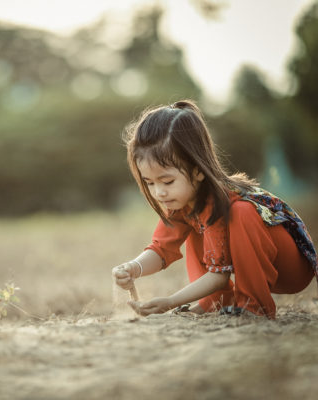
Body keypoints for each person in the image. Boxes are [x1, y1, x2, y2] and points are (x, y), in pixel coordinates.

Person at [112, 100, 317, 319]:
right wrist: (133, 267)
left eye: (167, 181)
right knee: (195, 229)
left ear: (198, 170)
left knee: (241, 212)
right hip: (260, 265)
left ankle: (254, 306)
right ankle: (217, 303)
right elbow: (160, 249)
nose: (159, 192)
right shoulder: (180, 203)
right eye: (150, 183)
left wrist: (171, 302)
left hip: (290, 267)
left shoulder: (221, 202)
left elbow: (219, 276)